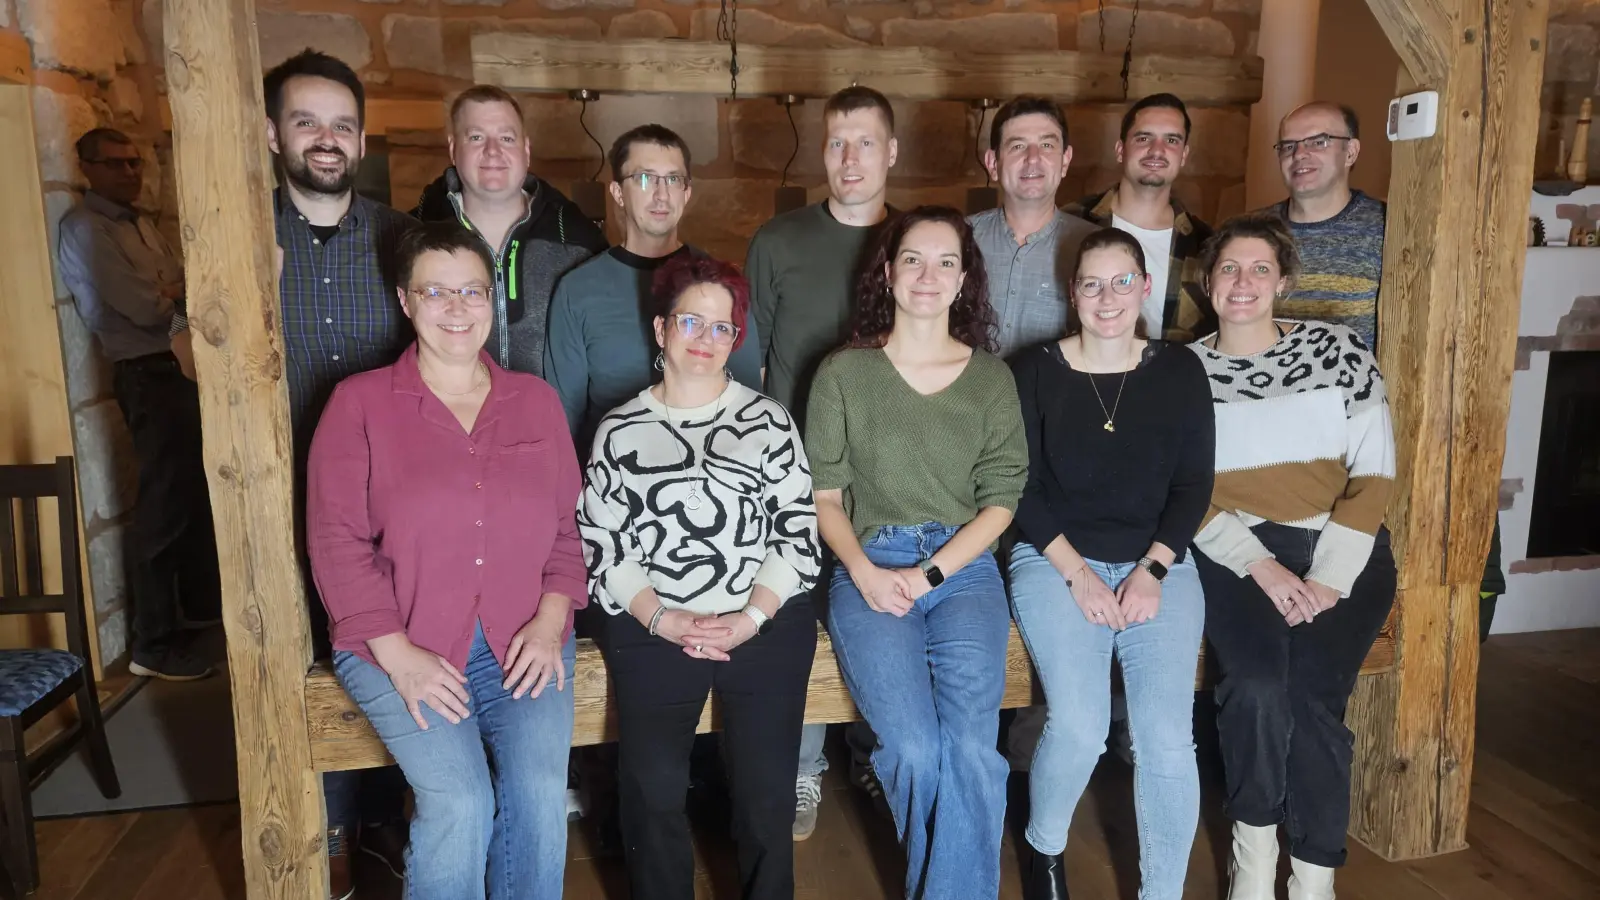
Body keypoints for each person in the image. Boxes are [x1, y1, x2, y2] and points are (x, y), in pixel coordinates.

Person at [308, 221, 586, 900]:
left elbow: (569, 528)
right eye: (437, 292)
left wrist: (551, 622)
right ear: (406, 301)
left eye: (473, 291)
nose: (458, 309)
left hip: (526, 636)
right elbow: (336, 541)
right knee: (462, 802)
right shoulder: (359, 405)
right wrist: (399, 656)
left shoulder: (536, 402)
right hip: (396, 639)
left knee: (542, 791)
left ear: (493, 300)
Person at [578, 255, 821, 900]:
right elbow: (601, 544)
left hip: (762, 618)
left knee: (766, 793)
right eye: (692, 321)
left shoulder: (768, 421)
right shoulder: (619, 429)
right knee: (652, 787)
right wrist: (663, 617)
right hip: (655, 620)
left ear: (736, 340)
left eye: (722, 328)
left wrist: (750, 618)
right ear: (661, 329)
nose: (706, 339)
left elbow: (796, 536)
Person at [806, 206, 1028, 899]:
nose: (928, 276)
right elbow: (824, 499)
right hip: (867, 562)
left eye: (945, 262)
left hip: (962, 571)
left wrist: (931, 572)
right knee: (913, 750)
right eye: (913, 259)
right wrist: (868, 572)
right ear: (889, 271)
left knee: (971, 750)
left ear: (965, 279)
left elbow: (1002, 500)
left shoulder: (991, 378)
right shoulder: (843, 373)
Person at [1188, 213, 1396, 900]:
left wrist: (1331, 578)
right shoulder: (1182, 374)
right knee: (1254, 690)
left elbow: (1375, 473)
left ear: (1284, 280)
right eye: (1228, 268)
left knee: (1312, 701)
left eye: (1258, 269)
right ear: (1206, 280)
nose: (1242, 283)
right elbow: (1181, 491)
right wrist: (1261, 565)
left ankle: (1312, 879)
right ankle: (1250, 868)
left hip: (1346, 550)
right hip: (1236, 554)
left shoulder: (1340, 351)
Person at [1007, 228, 1215, 900]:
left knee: (1166, 740)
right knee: (1082, 725)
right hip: (1054, 557)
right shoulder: (1033, 370)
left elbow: (1192, 486)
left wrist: (1152, 570)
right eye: (1091, 283)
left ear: (1146, 286)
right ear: (1073, 293)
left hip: (1160, 562)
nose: (1107, 298)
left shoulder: (1180, 371)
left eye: (1122, 281)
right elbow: (1018, 488)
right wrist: (1078, 573)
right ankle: (1043, 848)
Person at [264, 48, 418, 898]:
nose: (326, 139)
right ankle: (313, 831)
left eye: (341, 124)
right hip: (273, 491)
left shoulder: (399, 238)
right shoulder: (241, 232)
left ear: (361, 138)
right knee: (295, 658)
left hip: (378, 498)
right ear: (273, 132)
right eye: (307, 121)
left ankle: (378, 828)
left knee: (382, 648)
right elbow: (186, 351)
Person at [744, 84, 899, 839]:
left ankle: (872, 752)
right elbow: (754, 366)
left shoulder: (919, 241)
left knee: (882, 608)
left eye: (865, 142)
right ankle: (804, 768)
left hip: (894, 468)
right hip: (798, 469)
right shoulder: (778, 241)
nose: (849, 158)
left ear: (891, 152)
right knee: (796, 619)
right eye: (837, 142)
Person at [57, 127, 221, 682]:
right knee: (163, 505)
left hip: (177, 366)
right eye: (117, 164)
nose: (130, 173)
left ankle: (199, 616)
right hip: (146, 372)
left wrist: (172, 289)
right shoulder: (85, 228)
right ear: (88, 168)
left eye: (135, 163)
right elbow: (146, 305)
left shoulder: (141, 223)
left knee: (194, 494)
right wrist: (172, 291)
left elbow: (179, 282)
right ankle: (152, 645)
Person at [545, 124, 762, 452]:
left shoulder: (722, 286)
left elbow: (748, 401)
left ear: (686, 193)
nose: (661, 194)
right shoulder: (578, 291)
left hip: (713, 476)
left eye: (673, 179)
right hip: (616, 480)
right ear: (617, 192)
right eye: (645, 179)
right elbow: (563, 421)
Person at [414, 85, 607, 376]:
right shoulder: (415, 234)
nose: (493, 151)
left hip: (554, 420)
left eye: (506, 138)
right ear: (454, 149)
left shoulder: (578, 238)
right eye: (477, 137)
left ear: (526, 150)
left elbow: (602, 345)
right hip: (446, 420)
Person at [1065, 93, 1216, 343]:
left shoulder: (1206, 244)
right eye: (1143, 138)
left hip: (1172, 379)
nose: (1157, 150)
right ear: (1120, 150)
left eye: (1172, 140)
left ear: (1184, 155)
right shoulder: (1070, 223)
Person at [969, 96, 1098, 361]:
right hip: (964, 401)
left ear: (1065, 160)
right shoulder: (960, 238)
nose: (1033, 158)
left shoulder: (1093, 248)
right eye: (1017, 146)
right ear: (993, 163)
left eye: (1047, 145)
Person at [1268, 102, 1384, 348]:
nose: (1299, 154)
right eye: (1288, 146)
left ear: (1350, 152)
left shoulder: (1389, 228)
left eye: (1318, 142)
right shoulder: (1250, 231)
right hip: (1263, 385)